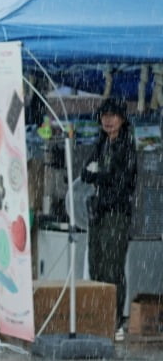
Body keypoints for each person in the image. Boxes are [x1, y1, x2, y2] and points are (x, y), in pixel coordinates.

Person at [81, 97, 137, 341]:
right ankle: (97, 316)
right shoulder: (101, 142)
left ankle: (114, 321)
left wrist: (100, 179)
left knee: (112, 267)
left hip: (117, 213)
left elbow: (122, 183)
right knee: (96, 263)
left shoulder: (127, 145)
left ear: (122, 119)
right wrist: (97, 178)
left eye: (113, 115)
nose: (108, 120)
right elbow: (85, 172)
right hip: (99, 212)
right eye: (104, 116)